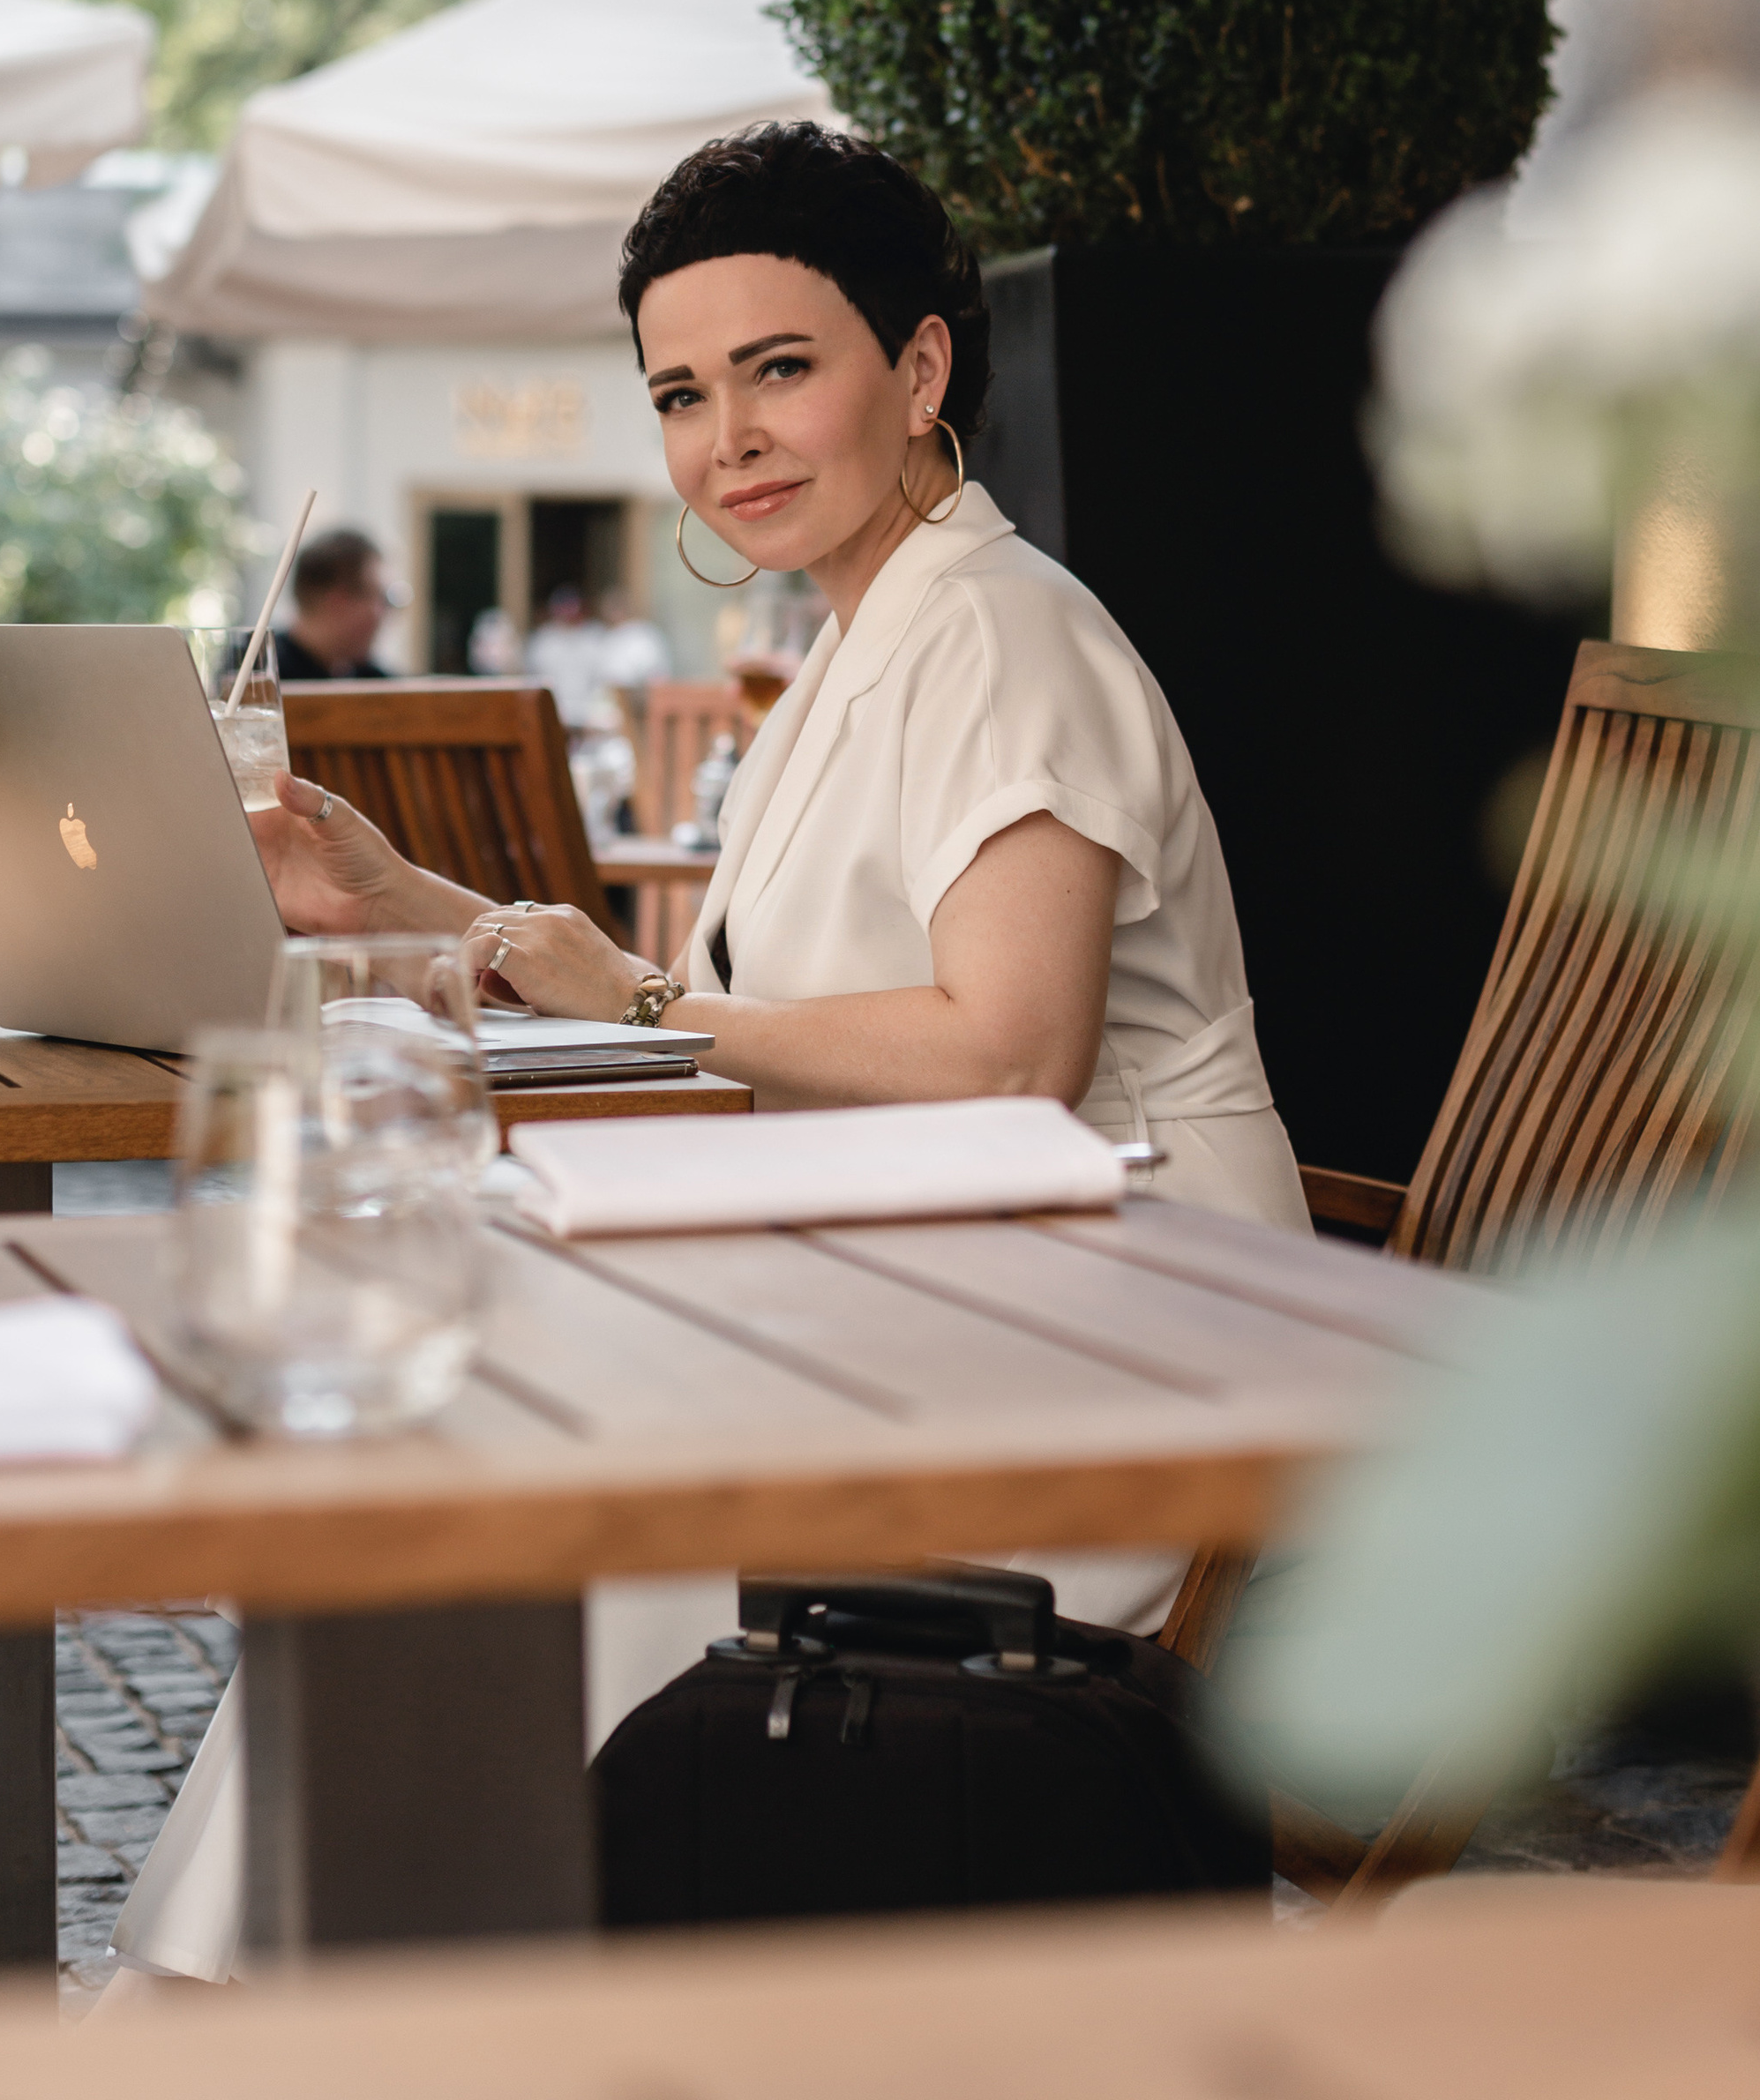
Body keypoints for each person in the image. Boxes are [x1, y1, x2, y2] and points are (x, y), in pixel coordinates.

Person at [103, 120, 1303, 1994]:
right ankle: (323, 2003)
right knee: (467, 1447)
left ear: (916, 370)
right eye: (679, 391)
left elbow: (1004, 1053)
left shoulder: (1001, 637)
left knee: (511, 1494)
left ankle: (316, 2007)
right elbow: (783, 1018)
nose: (722, 435)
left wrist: (637, 1002)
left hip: (1114, 1352)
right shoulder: (863, 641)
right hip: (965, 1296)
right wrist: (401, 894)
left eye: (776, 370)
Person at [266, 527, 396, 682]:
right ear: (339, 602)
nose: (386, 612)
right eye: (380, 598)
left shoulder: (370, 678)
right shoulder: (258, 679)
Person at [523, 581, 612, 728]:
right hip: (553, 714)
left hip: (590, 717)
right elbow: (532, 680)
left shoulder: (595, 637)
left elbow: (604, 680)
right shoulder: (543, 640)